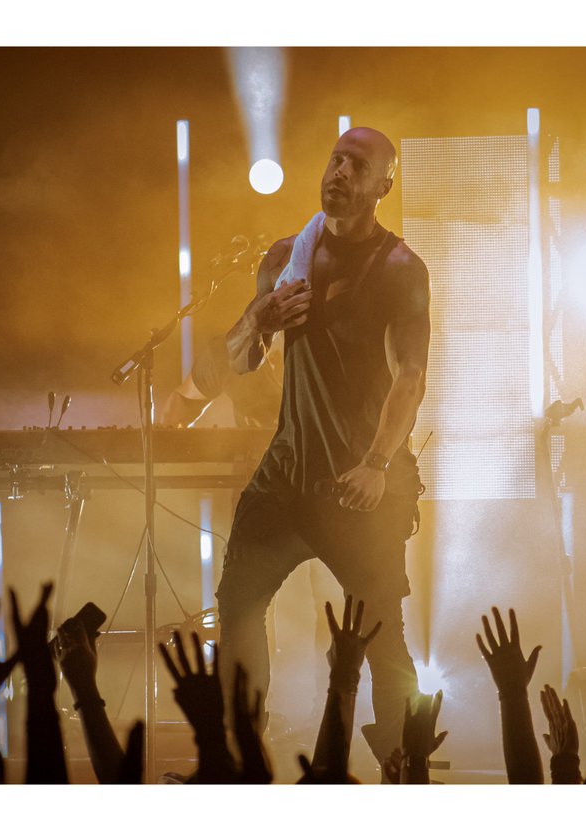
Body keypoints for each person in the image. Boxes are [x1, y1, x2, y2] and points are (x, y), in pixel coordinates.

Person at [215, 126, 431, 765]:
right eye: (334, 159)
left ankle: (403, 766)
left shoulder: (398, 268)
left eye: (356, 165)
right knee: (236, 608)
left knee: (383, 639)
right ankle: (240, 760)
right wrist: (260, 317)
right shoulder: (285, 257)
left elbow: (411, 379)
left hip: (358, 483)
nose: (339, 172)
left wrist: (378, 464)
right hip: (286, 476)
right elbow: (238, 359)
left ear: (382, 185)